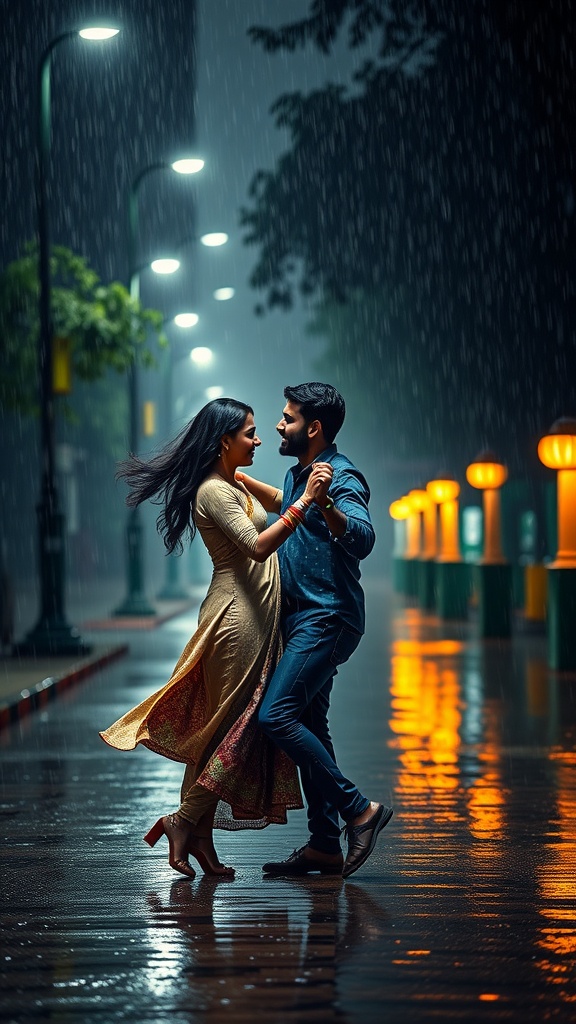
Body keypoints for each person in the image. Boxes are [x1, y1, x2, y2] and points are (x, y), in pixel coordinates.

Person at [99, 397, 330, 880]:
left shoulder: (232, 484)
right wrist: (306, 499)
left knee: (218, 728)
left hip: (254, 616)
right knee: (235, 726)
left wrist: (291, 493)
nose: (260, 439)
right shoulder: (213, 492)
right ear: (225, 440)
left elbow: (278, 506)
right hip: (236, 619)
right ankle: (182, 821)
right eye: (249, 432)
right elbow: (257, 544)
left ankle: (197, 837)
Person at [238, 383, 392, 879]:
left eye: (287, 419)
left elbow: (364, 539)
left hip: (329, 616)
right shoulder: (301, 474)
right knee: (312, 723)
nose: (279, 426)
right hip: (303, 616)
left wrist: (325, 503)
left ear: (314, 427)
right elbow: (291, 502)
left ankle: (358, 811)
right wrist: (239, 480)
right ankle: (325, 843)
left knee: (276, 715)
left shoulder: (340, 476)